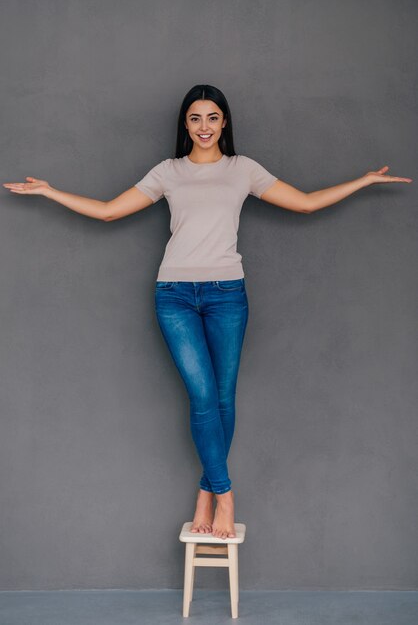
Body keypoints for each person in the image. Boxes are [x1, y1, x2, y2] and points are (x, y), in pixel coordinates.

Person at [3, 84, 412, 541]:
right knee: (202, 397)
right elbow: (107, 212)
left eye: (213, 117)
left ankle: (205, 491)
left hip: (226, 294)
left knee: (222, 398)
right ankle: (225, 492)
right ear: (185, 124)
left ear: (225, 122)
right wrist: (50, 191)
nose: (204, 127)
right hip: (174, 294)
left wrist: (363, 180)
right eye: (195, 118)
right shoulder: (168, 172)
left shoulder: (243, 170)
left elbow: (306, 203)